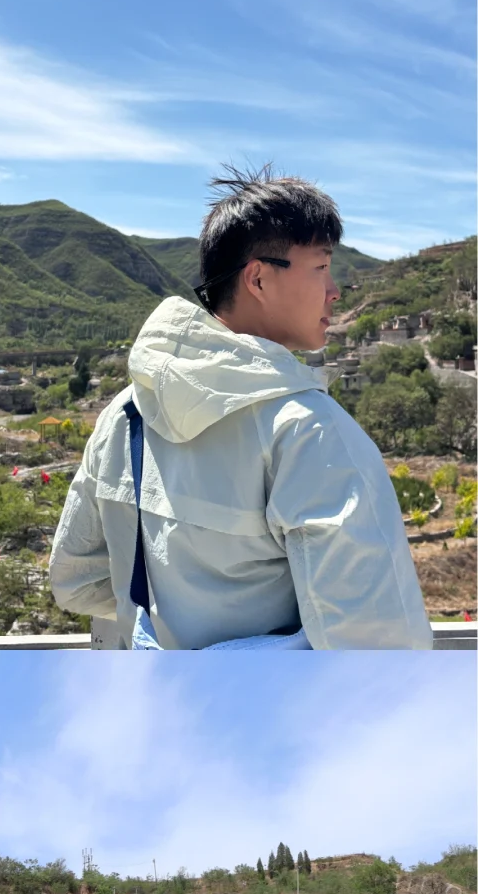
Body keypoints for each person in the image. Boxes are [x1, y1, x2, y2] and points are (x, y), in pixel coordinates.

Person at [49, 165, 433, 651]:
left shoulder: (124, 416)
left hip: (160, 712)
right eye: (321, 266)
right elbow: (380, 645)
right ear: (258, 279)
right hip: (271, 720)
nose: (336, 290)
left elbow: (76, 580)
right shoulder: (308, 431)